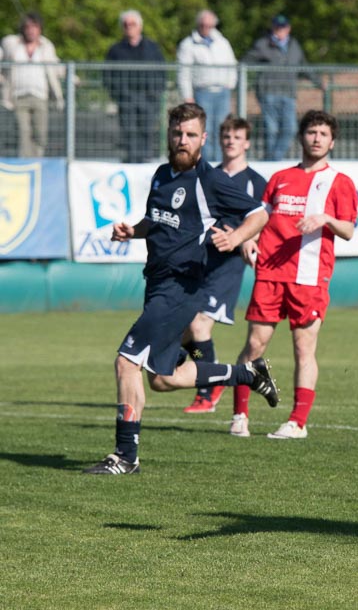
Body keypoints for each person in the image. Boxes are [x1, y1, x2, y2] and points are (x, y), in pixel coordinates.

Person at [83, 103, 277, 475]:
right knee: (162, 378)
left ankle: (125, 456)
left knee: (126, 361)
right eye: (177, 133)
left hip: (181, 288)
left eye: (190, 135)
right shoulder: (161, 175)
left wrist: (237, 237)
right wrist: (133, 231)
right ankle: (248, 374)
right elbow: (155, 221)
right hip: (157, 284)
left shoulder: (210, 180)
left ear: (203, 139)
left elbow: (259, 213)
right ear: (169, 134)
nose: (182, 140)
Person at [230, 110, 358, 440]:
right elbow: (261, 217)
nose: (317, 138)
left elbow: (348, 230)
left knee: (304, 348)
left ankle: (297, 422)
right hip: (270, 273)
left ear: (332, 142)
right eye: (311, 132)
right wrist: (248, 238)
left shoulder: (340, 182)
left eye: (323, 134)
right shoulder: (280, 178)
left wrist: (326, 219)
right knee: (254, 344)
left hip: (310, 277)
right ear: (301, 137)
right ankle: (240, 415)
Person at [182, 116, 268, 414]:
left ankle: (208, 389)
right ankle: (209, 370)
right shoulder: (209, 176)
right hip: (200, 261)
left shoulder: (255, 182)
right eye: (227, 136)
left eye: (237, 137)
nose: (231, 141)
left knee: (199, 324)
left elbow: (263, 221)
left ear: (247, 143)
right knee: (184, 333)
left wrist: (245, 237)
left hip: (227, 266)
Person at [104, 10, 166, 163]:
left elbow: (162, 71)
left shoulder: (152, 48)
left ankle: (145, 162)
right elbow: (107, 74)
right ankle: (131, 162)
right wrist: (118, 94)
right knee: (129, 131)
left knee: (147, 131)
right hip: (126, 98)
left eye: (132, 24)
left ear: (140, 26)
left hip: (148, 98)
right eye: (126, 24)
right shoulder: (115, 50)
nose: (129, 27)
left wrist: (155, 92)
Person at [177, 9, 238, 163]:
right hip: (202, 92)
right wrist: (187, 96)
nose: (206, 28)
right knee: (205, 131)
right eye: (203, 25)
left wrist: (230, 85)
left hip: (222, 92)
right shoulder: (188, 44)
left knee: (223, 130)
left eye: (209, 25)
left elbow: (232, 64)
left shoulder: (222, 42)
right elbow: (184, 72)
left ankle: (220, 163)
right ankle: (207, 164)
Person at [0, 12, 64, 158]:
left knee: (40, 134)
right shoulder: (12, 44)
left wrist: (72, 77)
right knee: (23, 133)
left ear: (40, 29)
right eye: (27, 27)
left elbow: (57, 67)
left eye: (34, 27)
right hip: (18, 96)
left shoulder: (46, 46)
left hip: (40, 96)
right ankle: (25, 163)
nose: (31, 30)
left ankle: (37, 161)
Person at [243, 15, 305, 162]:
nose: (280, 30)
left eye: (283, 27)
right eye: (277, 27)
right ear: (272, 27)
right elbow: (246, 61)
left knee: (291, 128)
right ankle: (271, 162)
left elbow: (304, 66)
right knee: (271, 129)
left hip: (288, 93)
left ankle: (273, 159)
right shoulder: (263, 44)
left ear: (288, 28)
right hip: (268, 93)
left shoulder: (294, 45)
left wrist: (319, 82)